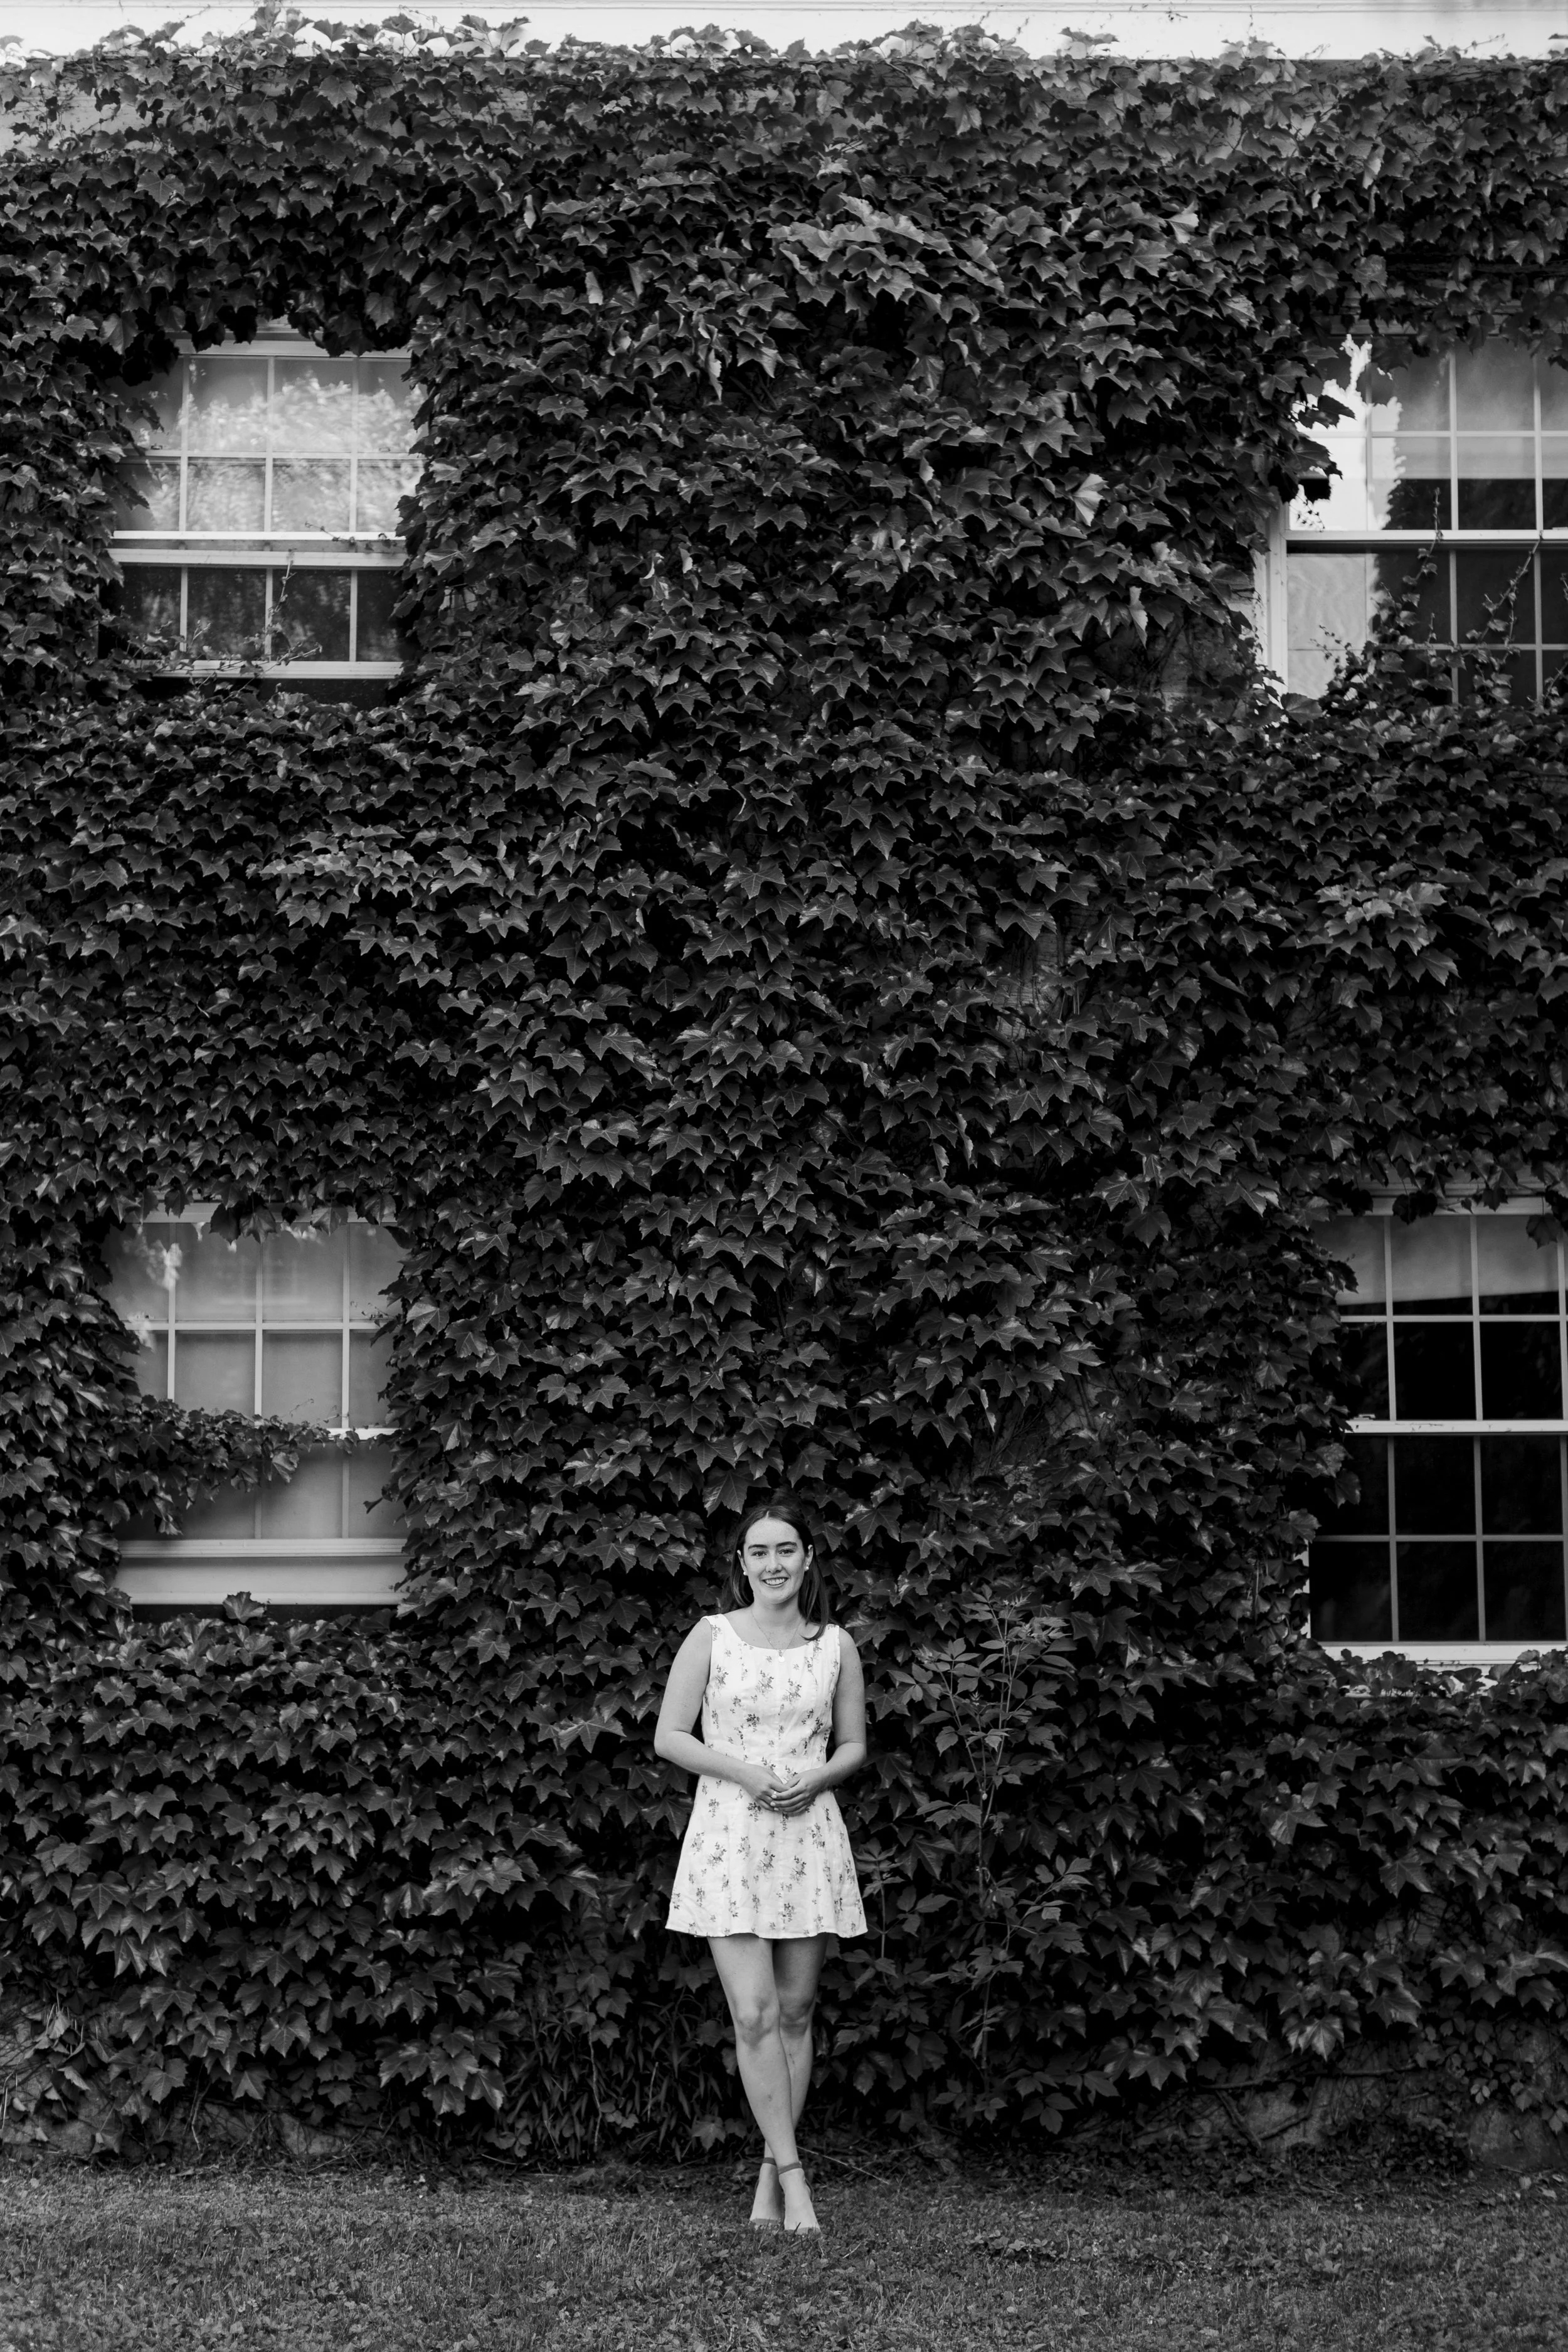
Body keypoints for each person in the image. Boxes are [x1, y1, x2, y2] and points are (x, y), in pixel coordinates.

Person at [654, 1493, 867, 2236]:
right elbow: (670, 1737)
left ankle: (769, 2176)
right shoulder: (712, 1636)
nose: (772, 1563)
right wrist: (747, 1775)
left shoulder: (834, 1644)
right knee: (753, 2013)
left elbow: (853, 1746)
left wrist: (817, 1777)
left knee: (797, 2012)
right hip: (729, 1839)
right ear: (739, 1565)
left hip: (807, 1835)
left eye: (785, 1550)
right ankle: (797, 2179)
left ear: (808, 1558)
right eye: (758, 1552)